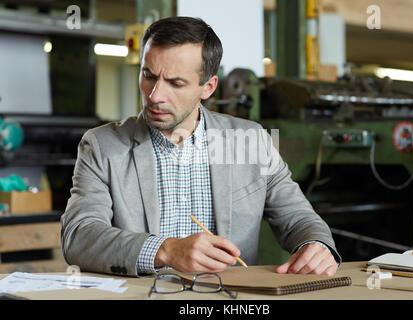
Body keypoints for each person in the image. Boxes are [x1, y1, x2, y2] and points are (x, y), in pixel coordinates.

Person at [61, 16, 341, 277]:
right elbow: (79, 236)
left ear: (208, 87)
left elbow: (297, 216)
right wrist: (165, 250)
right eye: (148, 76)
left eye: (176, 83)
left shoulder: (251, 142)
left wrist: (315, 245)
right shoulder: (102, 145)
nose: (155, 95)